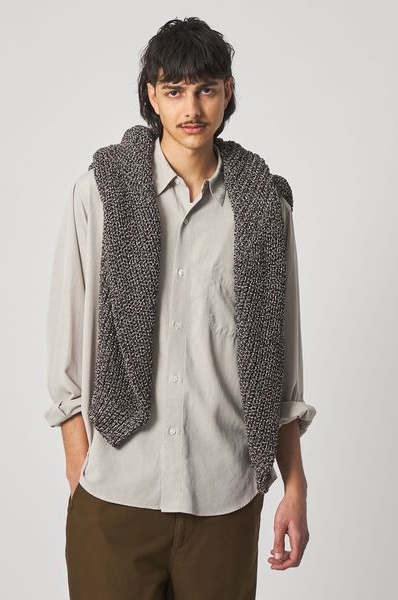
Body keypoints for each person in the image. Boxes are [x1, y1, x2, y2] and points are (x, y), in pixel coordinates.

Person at [45, 16, 316, 600]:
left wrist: (294, 487)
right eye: (174, 90)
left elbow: (283, 366)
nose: (191, 108)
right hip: (116, 496)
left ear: (228, 92)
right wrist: (80, 471)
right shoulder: (100, 194)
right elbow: (66, 347)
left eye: (206, 90)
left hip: (225, 498)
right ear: (152, 96)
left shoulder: (265, 207)